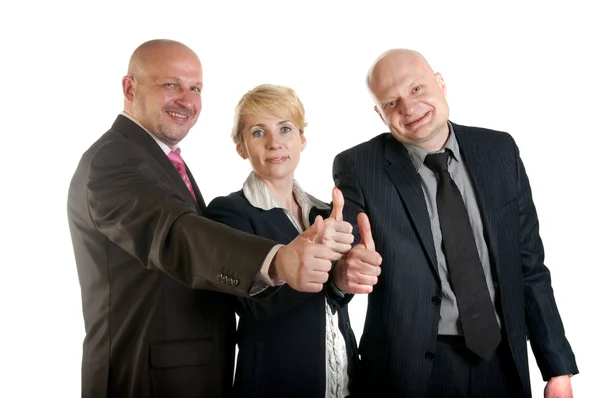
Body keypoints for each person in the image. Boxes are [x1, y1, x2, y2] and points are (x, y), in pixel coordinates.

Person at [67, 40, 342, 398]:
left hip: (187, 371)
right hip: (146, 376)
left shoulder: (156, 159)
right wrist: (276, 259)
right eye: (171, 85)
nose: (186, 99)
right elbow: (174, 233)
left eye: (195, 88)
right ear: (130, 88)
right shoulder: (114, 159)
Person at [332, 49, 578, 398]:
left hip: (502, 362)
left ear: (440, 83)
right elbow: (344, 262)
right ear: (379, 114)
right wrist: (345, 271)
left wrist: (558, 370)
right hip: (411, 372)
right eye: (391, 102)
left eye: (416, 89)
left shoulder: (499, 150)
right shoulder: (358, 166)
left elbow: (529, 268)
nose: (408, 107)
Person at [205, 84, 381, 398]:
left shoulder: (324, 212)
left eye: (285, 129)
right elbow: (249, 305)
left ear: (301, 140)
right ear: (241, 147)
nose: (275, 143)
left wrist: (343, 280)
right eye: (258, 132)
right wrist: (308, 257)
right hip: (276, 382)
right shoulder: (228, 212)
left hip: (344, 377)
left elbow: (333, 299)